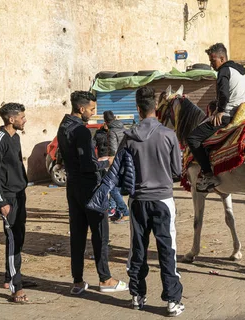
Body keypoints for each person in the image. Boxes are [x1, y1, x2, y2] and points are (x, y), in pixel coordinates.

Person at [119, 86, 185, 315]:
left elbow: (120, 170)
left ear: (138, 108)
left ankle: (137, 296)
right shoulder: (168, 135)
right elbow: (178, 170)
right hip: (163, 200)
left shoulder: (128, 137)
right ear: (156, 107)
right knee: (167, 249)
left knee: (138, 248)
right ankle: (172, 301)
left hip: (137, 201)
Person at [57, 91, 128, 295]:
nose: (93, 113)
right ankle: (105, 278)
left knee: (78, 235)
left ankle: (77, 281)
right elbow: (88, 164)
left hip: (73, 187)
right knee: (100, 233)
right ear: (81, 109)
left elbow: (64, 158)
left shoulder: (63, 127)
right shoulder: (80, 130)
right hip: (89, 188)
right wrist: (106, 161)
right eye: (91, 109)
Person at [187, 42, 245, 193]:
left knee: (193, 138)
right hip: (244, 112)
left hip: (229, 115)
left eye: (213, 61)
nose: (211, 65)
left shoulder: (224, 71)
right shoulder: (240, 70)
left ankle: (209, 175)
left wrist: (220, 111)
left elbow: (224, 93)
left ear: (222, 58)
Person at [0, 103, 29, 303]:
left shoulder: (16, 138)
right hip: (8, 198)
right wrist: (1, 201)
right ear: (11, 119)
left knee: (18, 237)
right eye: (22, 116)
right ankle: (15, 287)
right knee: (13, 239)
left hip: (20, 195)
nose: (24, 120)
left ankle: (9, 277)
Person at [104, 110, 129, 222]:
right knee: (117, 188)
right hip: (126, 162)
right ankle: (118, 214)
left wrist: (111, 163)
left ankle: (125, 212)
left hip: (117, 163)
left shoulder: (111, 132)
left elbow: (113, 150)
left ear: (105, 121)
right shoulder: (124, 128)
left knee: (113, 189)